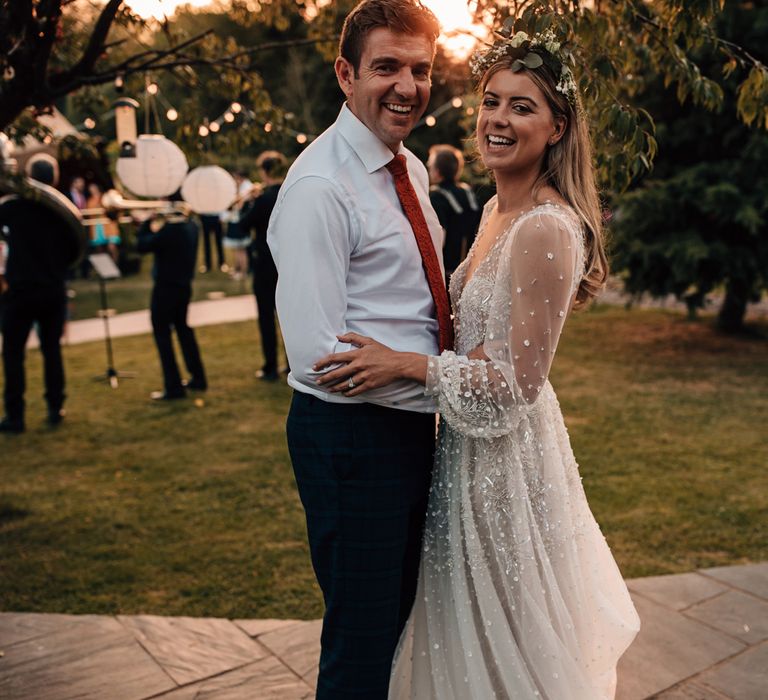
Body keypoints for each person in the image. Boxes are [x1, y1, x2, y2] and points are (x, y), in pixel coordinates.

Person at [313, 24, 640, 699]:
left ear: (556, 128)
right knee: (463, 631)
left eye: (522, 107)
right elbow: (481, 341)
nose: (498, 119)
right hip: (466, 452)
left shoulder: (545, 226)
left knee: (508, 633)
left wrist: (408, 365)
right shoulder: (496, 208)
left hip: (509, 466)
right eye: (491, 101)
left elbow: (519, 384)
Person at [267, 1, 444, 697]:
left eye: (421, 69)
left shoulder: (413, 169)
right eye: (386, 67)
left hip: (405, 428)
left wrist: (430, 376)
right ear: (345, 73)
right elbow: (323, 357)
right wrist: (447, 381)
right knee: (362, 645)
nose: (407, 85)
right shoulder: (320, 187)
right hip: (350, 440)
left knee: (397, 624)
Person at [0, 154, 76, 433]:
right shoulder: (63, 212)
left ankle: (15, 415)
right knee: (51, 350)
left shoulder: (15, 207)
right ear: (54, 178)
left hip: (21, 290)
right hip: (52, 289)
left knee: (12, 354)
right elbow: (74, 252)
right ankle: (55, 406)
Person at [136, 209, 207, 401]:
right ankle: (198, 377)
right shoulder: (192, 226)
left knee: (162, 334)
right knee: (183, 329)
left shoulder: (169, 230)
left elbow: (142, 246)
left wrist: (145, 223)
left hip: (165, 288)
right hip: (184, 286)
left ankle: (173, 386)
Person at [239, 151, 287, 381]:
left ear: (265, 172)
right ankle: (291, 363)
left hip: (265, 264)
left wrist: (247, 203)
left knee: (266, 317)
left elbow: (241, 226)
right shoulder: (290, 193)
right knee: (289, 316)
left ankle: (270, 367)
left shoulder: (262, 198)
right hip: (288, 263)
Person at [426, 144, 481, 284]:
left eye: (430, 166)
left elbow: (439, 238)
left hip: (446, 274)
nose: (428, 168)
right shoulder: (468, 192)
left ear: (437, 171)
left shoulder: (435, 196)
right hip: (473, 272)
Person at [222, 170, 253, 280]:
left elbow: (240, 208)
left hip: (239, 222)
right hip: (234, 221)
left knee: (241, 250)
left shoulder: (246, 191)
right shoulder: (238, 190)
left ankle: (243, 272)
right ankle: (238, 269)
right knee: (236, 249)